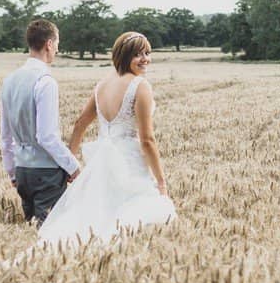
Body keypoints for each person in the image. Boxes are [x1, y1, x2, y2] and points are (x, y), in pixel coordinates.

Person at [34, 31, 176, 247]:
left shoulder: (102, 84)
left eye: (147, 52)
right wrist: (161, 182)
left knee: (99, 211)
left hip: (102, 158)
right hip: (129, 159)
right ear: (123, 55)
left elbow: (81, 123)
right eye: (138, 54)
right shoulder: (140, 85)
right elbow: (147, 140)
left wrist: (70, 159)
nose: (145, 59)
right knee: (140, 212)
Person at [0, 19, 80, 225]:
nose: (57, 50)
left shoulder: (9, 81)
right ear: (49, 44)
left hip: (22, 171)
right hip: (46, 175)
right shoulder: (45, 82)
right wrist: (73, 167)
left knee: (30, 234)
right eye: (57, 44)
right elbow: (47, 137)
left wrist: (13, 172)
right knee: (49, 237)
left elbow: (5, 138)